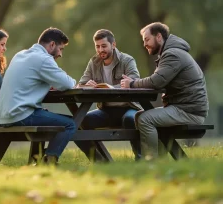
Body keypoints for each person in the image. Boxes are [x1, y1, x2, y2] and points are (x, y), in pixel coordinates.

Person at [121, 22, 209, 159]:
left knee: (145, 119)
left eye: (147, 39)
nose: (144, 44)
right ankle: (159, 160)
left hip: (189, 111)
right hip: (184, 108)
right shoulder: (170, 53)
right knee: (139, 116)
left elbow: (156, 81)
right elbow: (157, 80)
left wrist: (132, 84)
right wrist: (134, 83)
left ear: (159, 37)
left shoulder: (172, 54)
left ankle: (151, 161)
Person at [0, 27, 76, 164]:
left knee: (47, 115)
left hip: (3, 113)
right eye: (61, 49)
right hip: (20, 113)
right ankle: (50, 160)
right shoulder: (44, 59)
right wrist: (72, 81)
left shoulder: (21, 54)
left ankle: (41, 160)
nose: (61, 54)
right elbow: (68, 84)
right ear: (52, 45)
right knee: (71, 124)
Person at [75, 29, 143, 161]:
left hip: (128, 108)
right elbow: (80, 84)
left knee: (130, 119)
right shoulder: (93, 62)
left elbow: (135, 81)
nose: (100, 50)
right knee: (78, 122)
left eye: (104, 46)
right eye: (97, 46)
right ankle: (100, 160)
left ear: (113, 45)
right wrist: (86, 86)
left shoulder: (127, 60)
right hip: (106, 110)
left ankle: (140, 158)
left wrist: (112, 88)